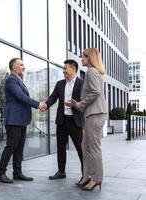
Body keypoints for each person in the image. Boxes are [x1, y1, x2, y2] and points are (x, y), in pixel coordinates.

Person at [0, 58, 46, 183]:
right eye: (21, 64)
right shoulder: (10, 80)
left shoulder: (19, 81)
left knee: (19, 148)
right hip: (14, 120)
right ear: (14, 67)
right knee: (11, 146)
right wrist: (38, 104)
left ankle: (17, 173)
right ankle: (0, 173)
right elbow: (20, 96)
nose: (24, 67)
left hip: (21, 120)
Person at [43, 59, 84, 180]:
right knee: (61, 148)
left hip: (75, 121)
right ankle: (61, 172)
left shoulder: (81, 83)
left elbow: (85, 101)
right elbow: (53, 97)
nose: (63, 71)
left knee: (80, 149)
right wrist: (46, 105)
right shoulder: (60, 84)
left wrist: (76, 104)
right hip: (62, 120)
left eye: (65, 68)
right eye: (63, 69)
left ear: (73, 69)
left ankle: (85, 175)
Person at [74, 48, 107, 191]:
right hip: (92, 114)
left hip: (94, 115)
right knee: (85, 146)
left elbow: (96, 91)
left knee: (93, 148)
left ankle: (96, 178)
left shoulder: (91, 71)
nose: (81, 59)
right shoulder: (95, 72)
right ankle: (86, 175)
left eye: (83, 56)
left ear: (89, 58)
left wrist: (81, 104)